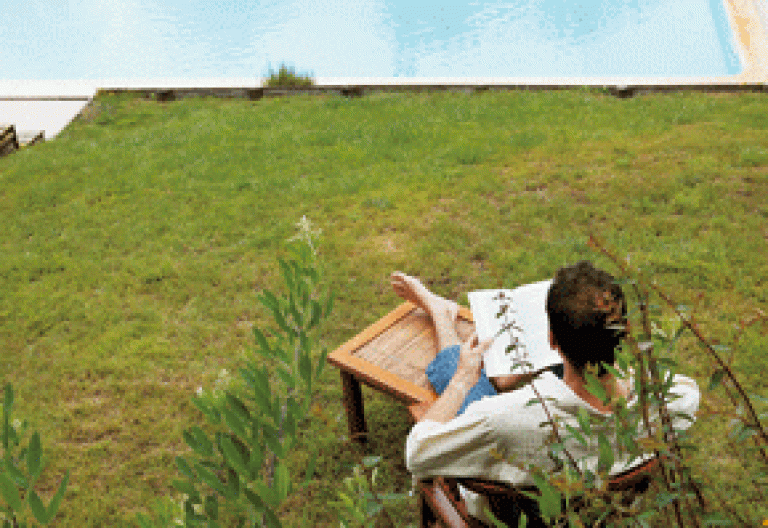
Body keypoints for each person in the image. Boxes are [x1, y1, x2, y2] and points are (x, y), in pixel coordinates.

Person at [393, 261, 700, 525]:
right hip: (605, 512)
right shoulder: (669, 401)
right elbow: (686, 392)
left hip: (515, 519)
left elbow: (418, 454)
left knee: (460, 371)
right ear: (626, 331)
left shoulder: (501, 420)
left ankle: (440, 313)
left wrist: (462, 379)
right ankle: (499, 368)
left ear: (551, 339)